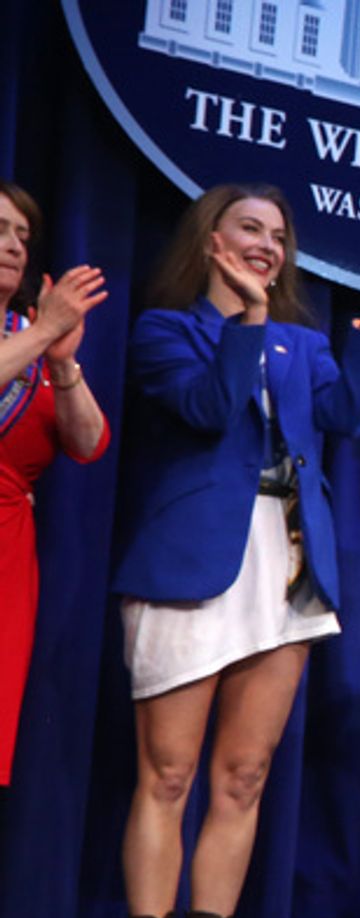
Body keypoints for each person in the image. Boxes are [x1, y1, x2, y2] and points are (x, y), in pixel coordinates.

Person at [112, 183, 360, 918]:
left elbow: (347, 415)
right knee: (170, 774)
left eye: (278, 235)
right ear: (210, 240)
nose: (267, 244)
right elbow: (206, 406)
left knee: (244, 776)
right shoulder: (166, 329)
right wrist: (246, 324)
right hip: (192, 559)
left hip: (288, 565)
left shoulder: (302, 344)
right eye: (249, 229)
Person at [0, 180, 109, 790]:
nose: (14, 245)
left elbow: (89, 442)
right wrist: (45, 335)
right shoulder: (31, 336)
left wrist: (63, 362)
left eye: (22, 234)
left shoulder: (31, 335)